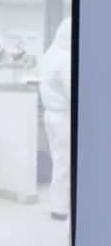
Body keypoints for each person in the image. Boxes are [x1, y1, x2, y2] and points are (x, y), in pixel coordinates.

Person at [40, 17, 72, 222]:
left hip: (50, 114)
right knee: (65, 162)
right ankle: (60, 208)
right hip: (63, 116)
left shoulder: (49, 54)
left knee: (58, 160)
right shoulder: (65, 57)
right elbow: (72, 92)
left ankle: (58, 205)